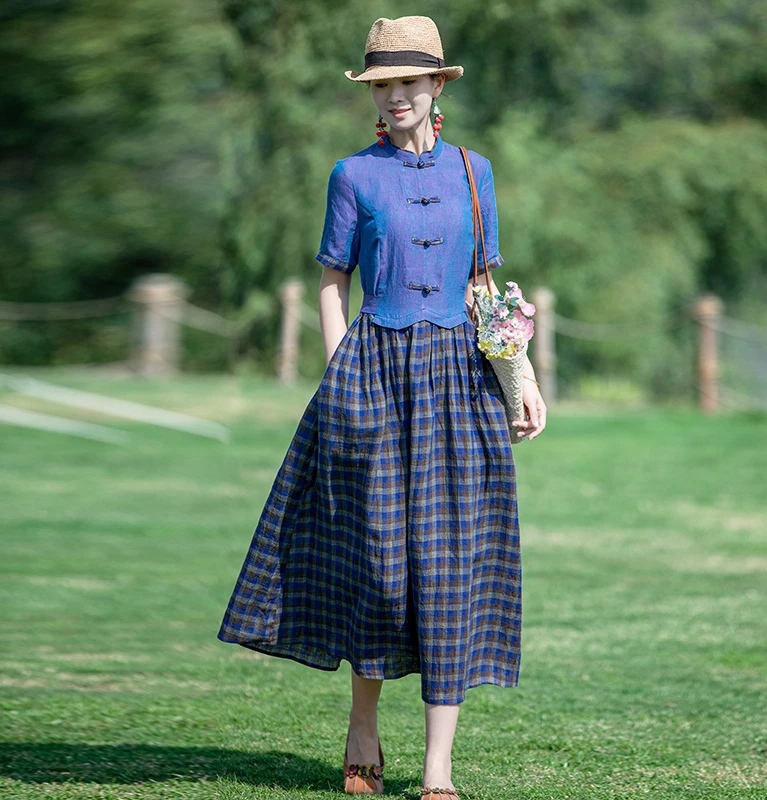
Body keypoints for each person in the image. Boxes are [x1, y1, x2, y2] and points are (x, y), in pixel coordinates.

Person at [217, 15, 547, 800]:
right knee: (377, 560)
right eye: (384, 84)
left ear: (438, 87)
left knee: (449, 566)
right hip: (374, 372)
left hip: (460, 381)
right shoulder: (352, 176)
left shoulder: (476, 172)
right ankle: (363, 727)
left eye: (410, 81)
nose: (398, 95)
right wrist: (340, 371)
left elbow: (482, 287)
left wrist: (522, 374)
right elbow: (334, 278)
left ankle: (439, 767)